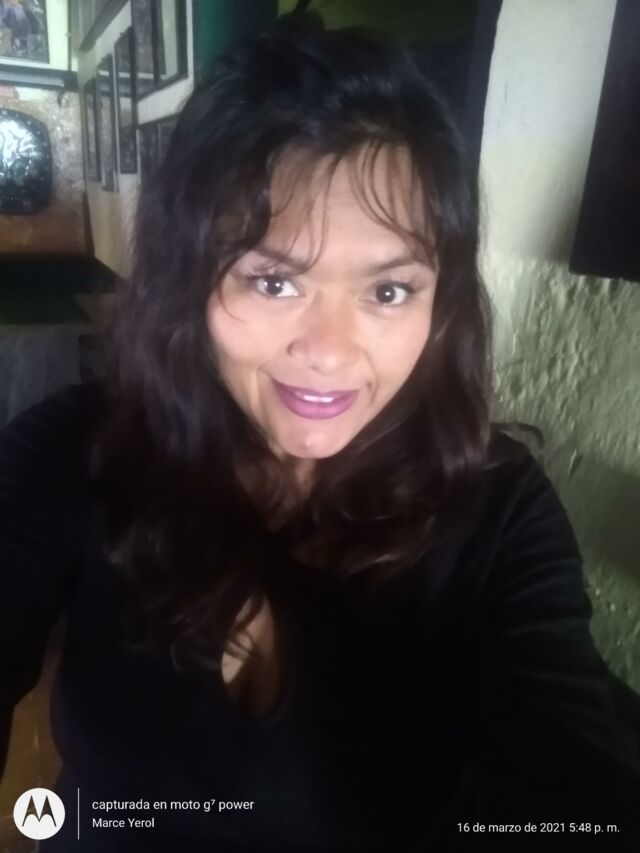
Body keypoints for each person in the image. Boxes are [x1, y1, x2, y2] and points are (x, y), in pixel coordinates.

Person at [1, 12, 639, 853]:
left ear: (439, 304)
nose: (332, 353)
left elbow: (572, 773)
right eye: (274, 282)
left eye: (388, 292)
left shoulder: (497, 507)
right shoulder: (79, 450)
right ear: (191, 278)